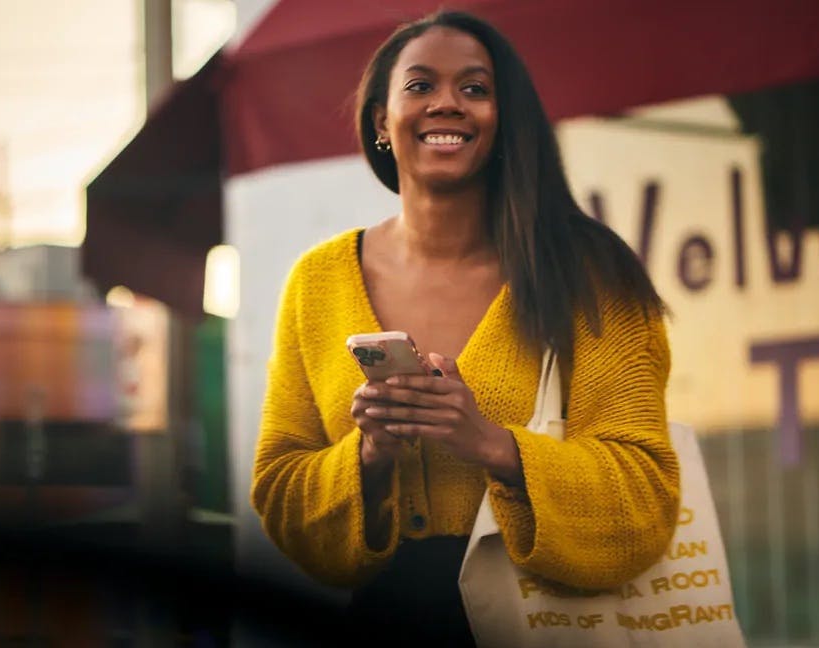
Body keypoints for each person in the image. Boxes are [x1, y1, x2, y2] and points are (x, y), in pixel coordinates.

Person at [251, 9, 680, 646]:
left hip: (552, 625)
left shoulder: (592, 275)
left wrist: (491, 446)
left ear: (504, 121)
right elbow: (280, 489)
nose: (447, 104)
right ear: (380, 122)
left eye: (476, 89)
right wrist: (370, 457)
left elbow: (646, 501)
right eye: (420, 86)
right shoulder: (317, 283)